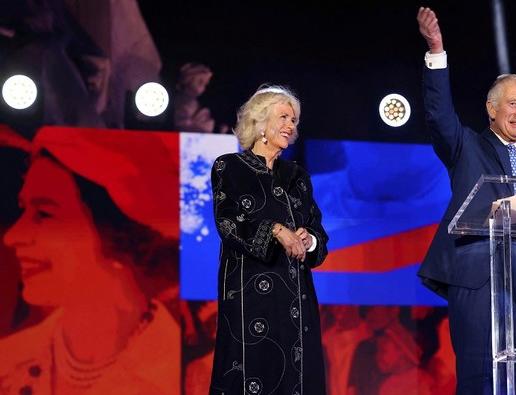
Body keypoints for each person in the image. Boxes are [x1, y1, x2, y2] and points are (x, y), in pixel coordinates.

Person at [416, 7, 516, 394]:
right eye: (513, 104)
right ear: (491, 109)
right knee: (479, 381)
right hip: (477, 279)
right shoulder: (466, 147)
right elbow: (438, 113)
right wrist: (437, 51)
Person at [0, 127, 180, 394]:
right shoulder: (8, 360)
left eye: (45, 214)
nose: (13, 237)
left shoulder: (190, 373)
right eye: (24, 210)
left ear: (120, 232)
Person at [209, 85, 329, 394]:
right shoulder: (230, 167)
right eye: (284, 117)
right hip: (251, 298)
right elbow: (228, 223)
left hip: (296, 301)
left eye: (295, 120)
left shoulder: (297, 176)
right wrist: (275, 229)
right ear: (260, 123)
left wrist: (309, 239)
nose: (292, 126)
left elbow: (318, 231)